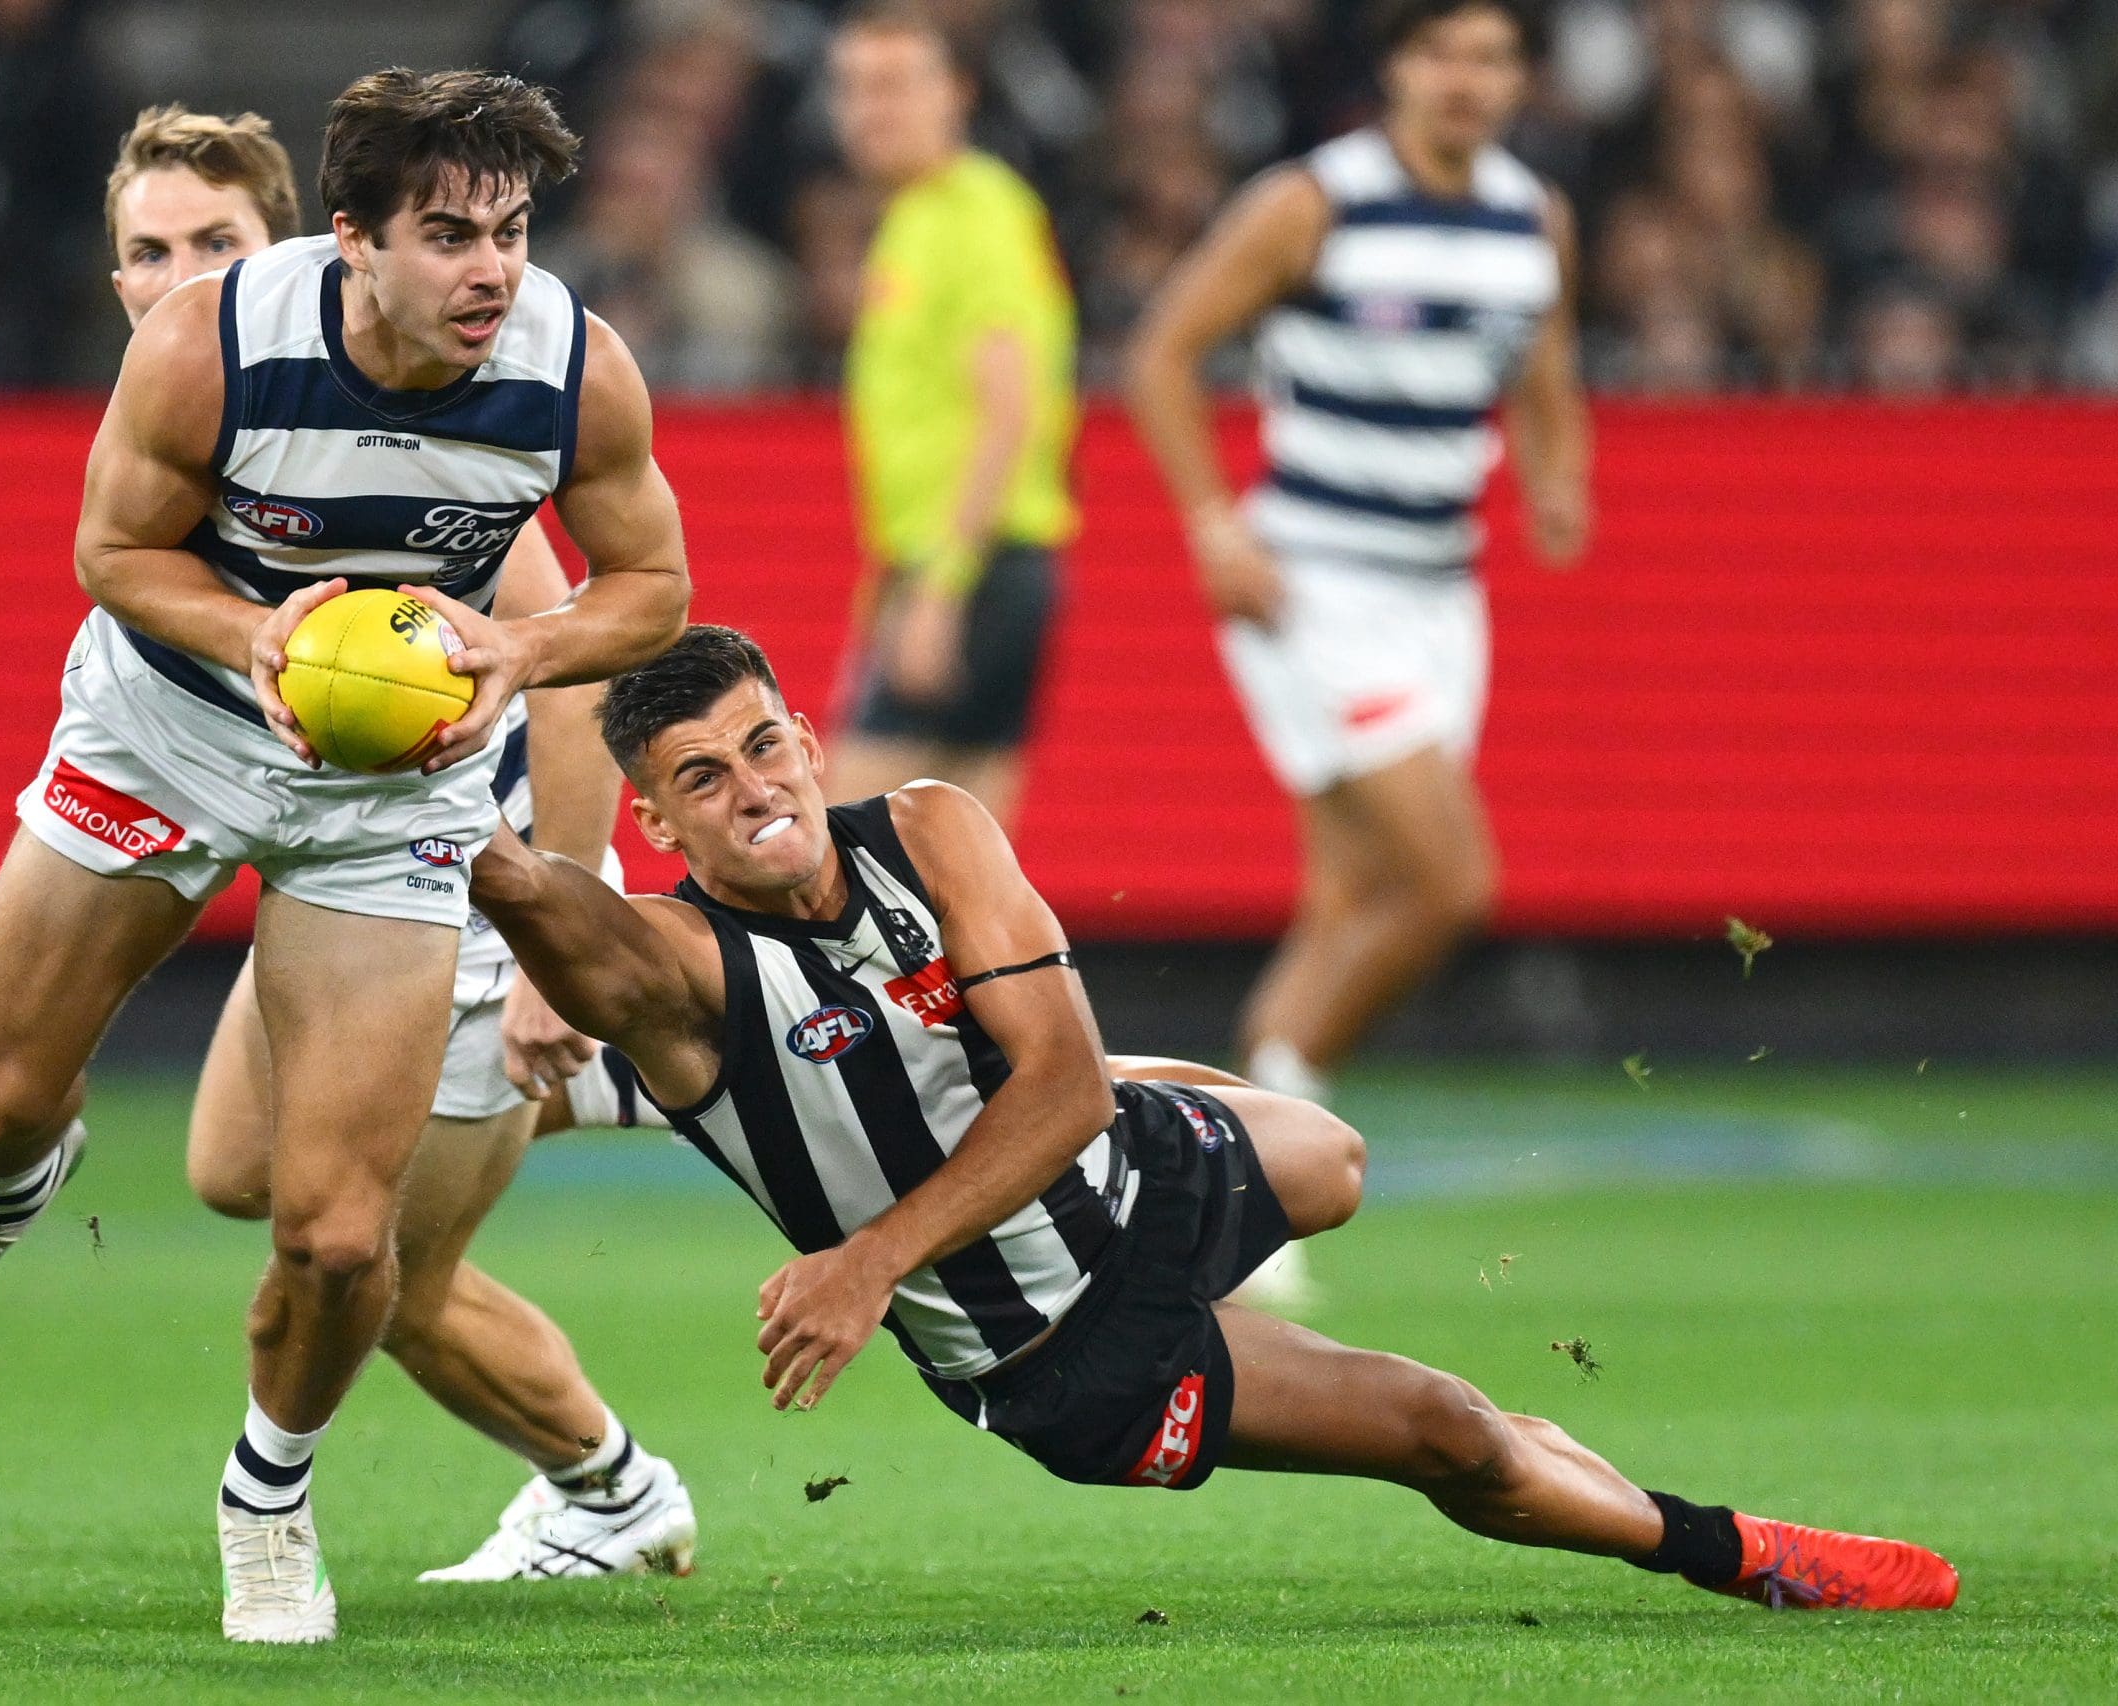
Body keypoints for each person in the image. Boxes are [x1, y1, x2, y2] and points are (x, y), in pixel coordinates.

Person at [468, 624, 1960, 1614]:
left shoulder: (928, 822)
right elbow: (523, 888)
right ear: (655, 823)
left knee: (1334, 1158)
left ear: (805, 734)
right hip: (1061, 1344)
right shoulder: (670, 967)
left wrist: (866, 1259)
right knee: (1444, 1426)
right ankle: (1732, 1552)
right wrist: (398, 762)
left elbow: (1055, 1084)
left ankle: (1154, 1099)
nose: (753, 792)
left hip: (1121, 1155)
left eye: (763, 748)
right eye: (702, 781)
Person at [0, 70, 692, 1644]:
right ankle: (9, 1186)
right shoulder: (212, 341)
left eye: (509, 232)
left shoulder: (572, 365)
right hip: (168, 731)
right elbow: (111, 552)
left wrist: (519, 650)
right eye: (449, 235)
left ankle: (270, 1495)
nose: (491, 271)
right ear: (354, 238)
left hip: (393, 793)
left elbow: (652, 587)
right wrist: (259, 632)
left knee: (333, 1231)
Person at [98, 100, 698, 1582]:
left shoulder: (458, 417)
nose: (177, 278)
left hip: (476, 887)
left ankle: (615, 1491)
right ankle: (651, 1084)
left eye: (214, 246)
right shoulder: (205, 415)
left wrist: (560, 938)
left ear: (309, 244)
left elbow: (565, 684)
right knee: (239, 1165)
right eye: (145, 251)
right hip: (362, 860)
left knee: (376, 1267)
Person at [1123, 0, 1589, 1136]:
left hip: (1441, 589)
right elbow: (1161, 353)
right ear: (1396, 69)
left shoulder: (1535, 218)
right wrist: (1212, 524)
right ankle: (1277, 1098)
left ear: (1521, 77)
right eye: (1441, 54)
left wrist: (1556, 476)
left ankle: (1237, 1170)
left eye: (1490, 57)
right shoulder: (1312, 201)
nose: (1465, 80)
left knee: (1353, 897)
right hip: (1317, 586)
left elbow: (1545, 367)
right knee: (1447, 884)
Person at [821, 1, 1079, 827]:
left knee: (837, 847)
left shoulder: (978, 216)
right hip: (971, 565)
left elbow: (1009, 410)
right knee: (966, 867)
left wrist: (937, 587)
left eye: (895, 85)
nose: (871, 109)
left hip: (975, 567)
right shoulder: (920, 216)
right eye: (854, 87)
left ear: (957, 93)